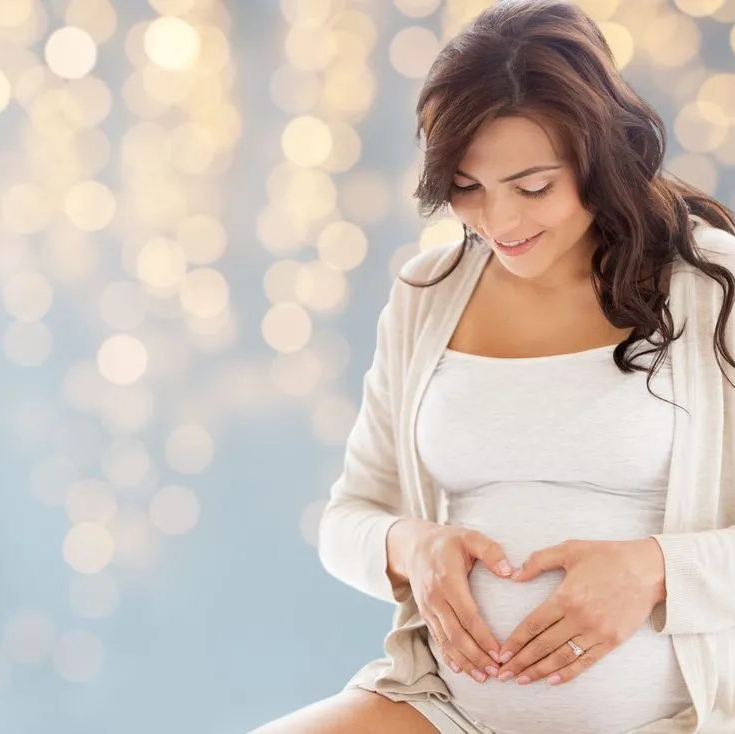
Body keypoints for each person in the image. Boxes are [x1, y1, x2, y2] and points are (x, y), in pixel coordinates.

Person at [249, 1, 735, 732]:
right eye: (468, 189)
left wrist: (655, 570)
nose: (499, 223)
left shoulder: (712, 288)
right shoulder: (428, 294)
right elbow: (346, 519)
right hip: (446, 709)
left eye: (532, 187)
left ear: (600, 154)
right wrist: (411, 547)